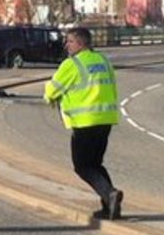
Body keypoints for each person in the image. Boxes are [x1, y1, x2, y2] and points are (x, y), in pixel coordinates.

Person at [43, 27, 124, 220]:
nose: (66, 45)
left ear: (80, 44)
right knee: (96, 164)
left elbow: (51, 92)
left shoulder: (72, 64)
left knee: (82, 166)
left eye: (70, 41)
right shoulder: (103, 61)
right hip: (106, 120)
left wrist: (50, 95)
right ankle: (110, 207)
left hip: (84, 122)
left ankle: (110, 194)